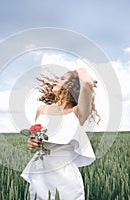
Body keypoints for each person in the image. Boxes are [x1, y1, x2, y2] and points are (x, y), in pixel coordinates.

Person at [21, 68, 100, 200]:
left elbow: (87, 83)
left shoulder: (78, 112)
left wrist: (80, 71)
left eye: (63, 79)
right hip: (40, 174)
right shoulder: (41, 109)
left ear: (73, 86)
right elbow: (36, 140)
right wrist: (31, 142)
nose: (56, 81)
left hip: (65, 179)